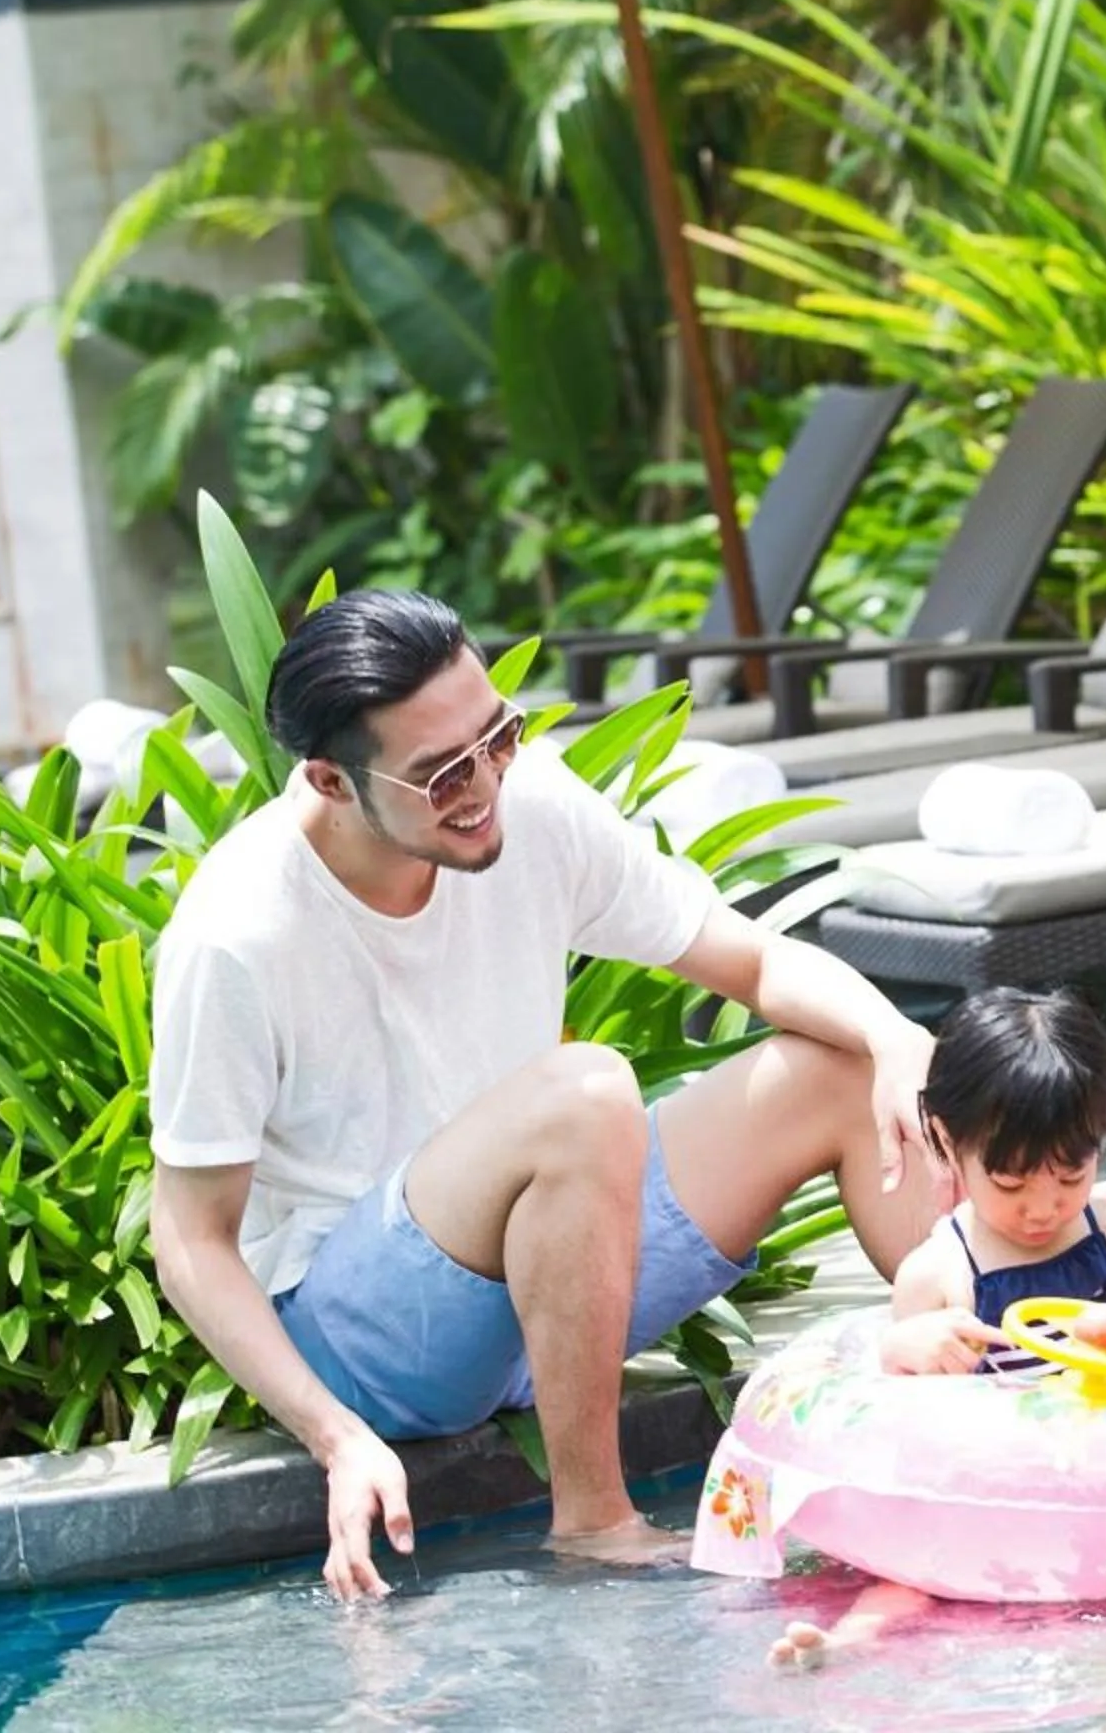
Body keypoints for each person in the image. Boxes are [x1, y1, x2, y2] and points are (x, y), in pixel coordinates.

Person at [148, 590, 947, 1601]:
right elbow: (190, 1239)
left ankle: (1001, 1389)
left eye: (498, 736)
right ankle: (594, 1517)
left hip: (553, 1274)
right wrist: (336, 1435)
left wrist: (897, 1036)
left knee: (835, 1065)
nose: (483, 783)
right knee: (587, 1090)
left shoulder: (535, 808)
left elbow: (748, 959)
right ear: (329, 779)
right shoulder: (237, 933)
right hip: (369, 1337)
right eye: (442, 771)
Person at [771, 988, 1106, 1669]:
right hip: (1007, 1494)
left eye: (1071, 1174)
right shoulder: (940, 1269)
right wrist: (901, 1349)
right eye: (1009, 1183)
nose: (1044, 1207)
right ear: (947, 1140)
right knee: (909, 1575)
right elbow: (899, 1434)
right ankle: (850, 1645)